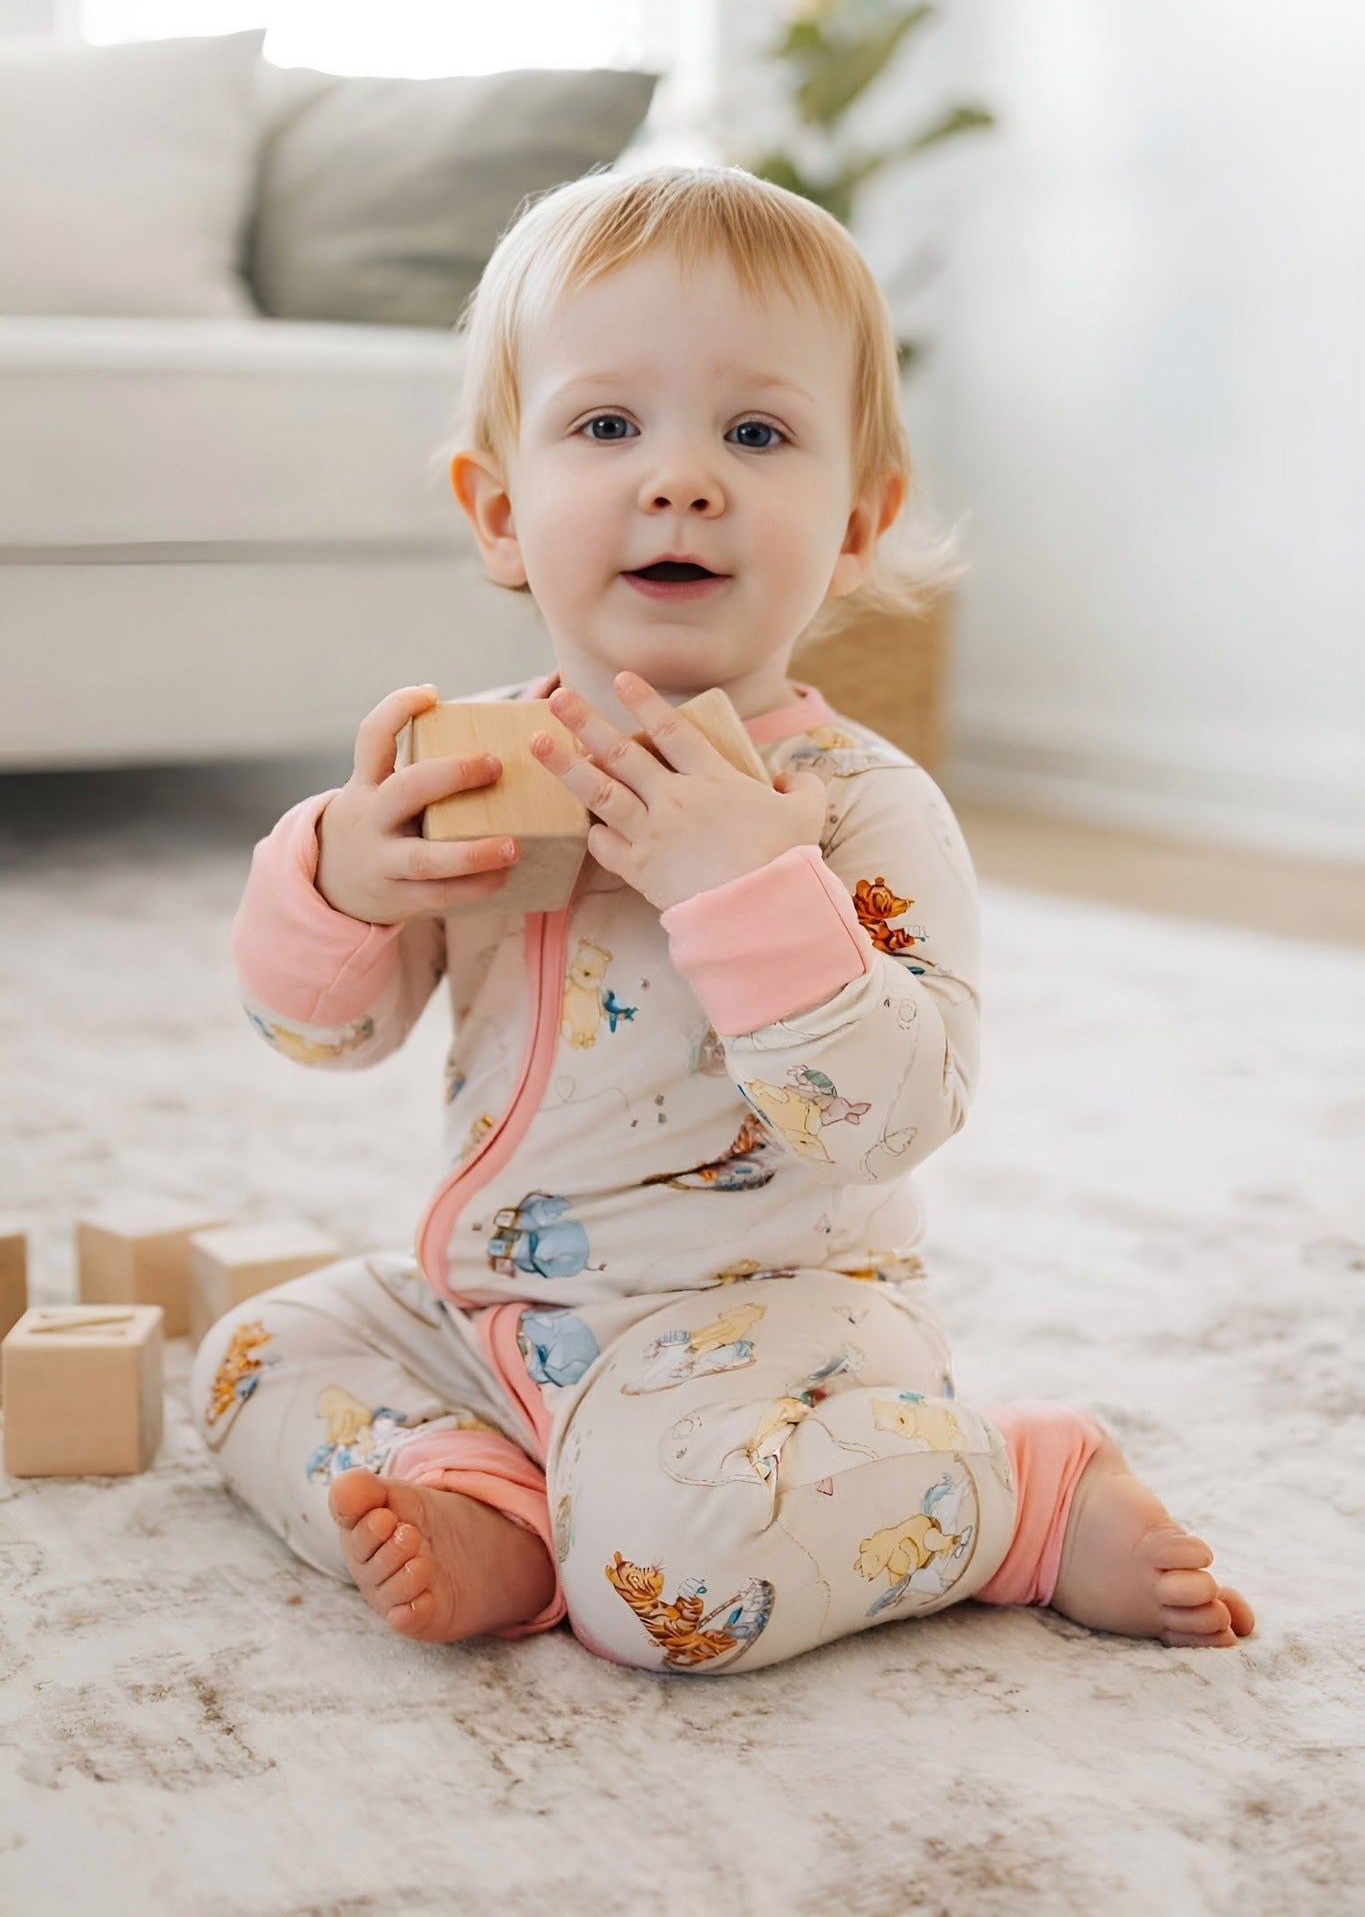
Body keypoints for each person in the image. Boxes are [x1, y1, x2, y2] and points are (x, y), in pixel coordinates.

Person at [192, 165, 1254, 1673]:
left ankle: (1013, 1489)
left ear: (854, 528)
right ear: (499, 512)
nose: (679, 479)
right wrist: (337, 880)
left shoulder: (857, 804)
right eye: (606, 426)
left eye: (754, 434)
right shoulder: (473, 763)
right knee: (253, 1352)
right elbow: (318, 1035)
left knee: (666, 1582)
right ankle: (487, 1492)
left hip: (773, 1336)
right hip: (494, 1310)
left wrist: (742, 892)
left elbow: (891, 1116)